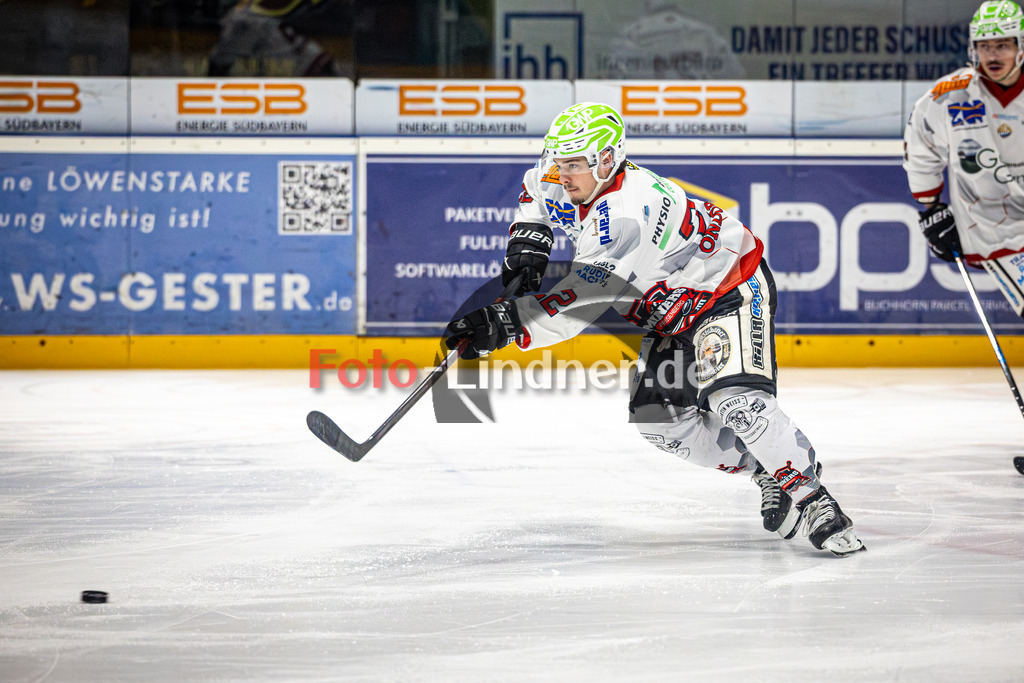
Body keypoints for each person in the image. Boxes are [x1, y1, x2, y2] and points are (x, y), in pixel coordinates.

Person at [444, 102, 866, 557]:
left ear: (608, 160)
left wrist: (506, 325)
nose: (562, 175)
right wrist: (528, 248)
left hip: (726, 289)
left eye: (573, 165)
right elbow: (534, 196)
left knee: (735, 401)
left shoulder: (627, 214)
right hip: (670, 313)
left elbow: (578, 304)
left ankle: (813, 499)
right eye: (557, 161)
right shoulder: (558, 174)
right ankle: (769, 468)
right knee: (658, 422)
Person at [904, 0, 1024, 315]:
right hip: (993, 227)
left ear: (1020, 45)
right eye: (985, 46)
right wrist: (932, 209)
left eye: (1002, 45)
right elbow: (921, 145)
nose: (993, 55)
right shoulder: (950, 95)